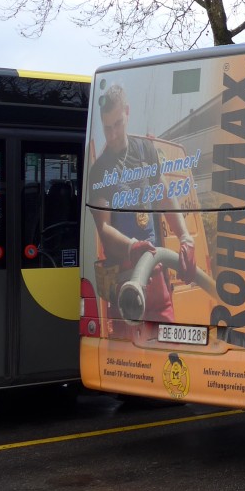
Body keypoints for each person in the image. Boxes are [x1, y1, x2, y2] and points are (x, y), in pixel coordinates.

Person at [89, 83, 196, 323]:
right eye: (107, 128)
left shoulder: (146, 151)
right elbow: (104, 229)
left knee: (168, 348)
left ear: (127, 112)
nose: (113, 134)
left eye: (118, 124)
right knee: (129, 357)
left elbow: (165, 195)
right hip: (124, 281)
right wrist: (131, 246)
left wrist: (186, 237)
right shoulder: (99, 171)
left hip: (156, 274)